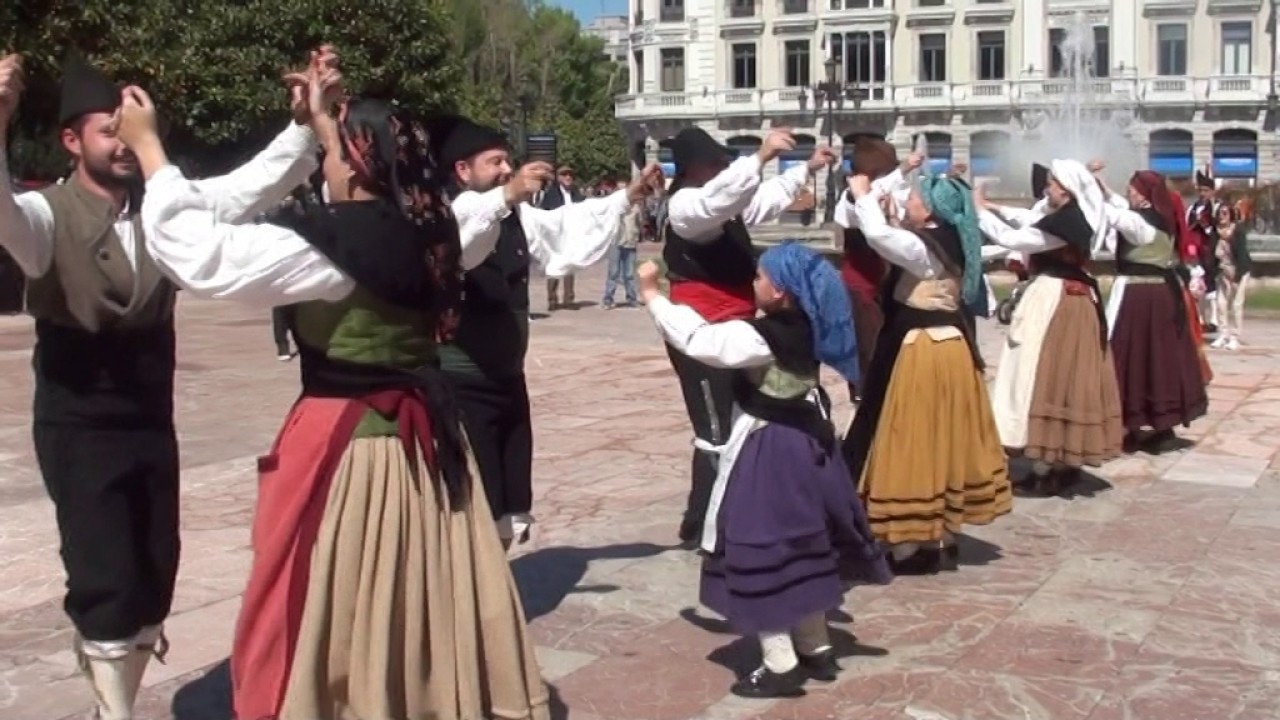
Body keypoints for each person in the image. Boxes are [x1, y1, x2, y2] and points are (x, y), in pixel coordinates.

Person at [118, 63, 550, 720]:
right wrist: (316, 119)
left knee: (337, 595)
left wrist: (151, 150)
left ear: (359, 162)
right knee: (419, 594)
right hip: (429, 445)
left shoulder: (335, 247)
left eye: (334, 152)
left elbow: (196, 255)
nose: (326, 164)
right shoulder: (435, 230)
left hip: (354, 448)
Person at [0, 49, 325, 718]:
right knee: (105, 577)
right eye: (108, 131)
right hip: (79, 423)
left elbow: (248, 187)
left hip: (151, 418)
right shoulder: (44, 216)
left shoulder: (166, 209)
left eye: (131, 129)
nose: (123, 144)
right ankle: (115, 710)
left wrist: (302, 125)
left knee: (153, 571)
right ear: (72, 141)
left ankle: (115, 687)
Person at [637, 244, 890, 699]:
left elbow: (701, 342)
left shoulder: (763, 337)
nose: (753, 282)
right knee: (801, 544)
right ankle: (815, 646)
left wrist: (654, 296)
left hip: (772, 448)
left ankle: (780, 664)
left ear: (780, 291)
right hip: (808, 443)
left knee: (761, 548)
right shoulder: (808, 324)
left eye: (759, 277)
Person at [441, 117, 660, 547]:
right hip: (462, 382)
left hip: (507, 375)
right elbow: (460, 247)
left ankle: (499, 578)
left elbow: (564, 224)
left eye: (507, 161)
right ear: (463, 170)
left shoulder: (517, 214)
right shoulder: (448, 214)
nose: (506, 169)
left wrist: (627, 196)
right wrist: (507, 194)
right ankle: (473, 582)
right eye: (495, 162)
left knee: (509, 494)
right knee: (474, 497)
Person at [660, 126, 834, 545]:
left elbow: (760, 200)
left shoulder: (723, 207)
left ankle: (734, 511)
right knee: (715, 428)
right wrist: (758, 158)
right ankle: (705, 523)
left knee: (742, 418)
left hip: (737, 326)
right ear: (692, 168)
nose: (723, 167)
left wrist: (806, 169)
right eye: (715, 162)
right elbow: (718, 200)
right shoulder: (686, 206)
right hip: (702, 330)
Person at [842, 171, 1011, 574]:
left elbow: (879, 238)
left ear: (932, 210)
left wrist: (863, 195)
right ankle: (943, 532)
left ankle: (912, 541)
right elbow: (896, 243)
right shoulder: (949, 240)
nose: (909, 202)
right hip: (949, 347)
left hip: (924, 350)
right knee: (942, 439)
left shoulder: (927, 246)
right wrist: (889, 214)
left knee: (913, 438)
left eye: (915, 199)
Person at [976, 159, 1124, 495]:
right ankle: (1060, 463)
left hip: (1056, 300)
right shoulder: (1074, 217)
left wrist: (979, 211)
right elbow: (1031, 219)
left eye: (1053, 183)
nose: (1047, 188)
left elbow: (1015, 237)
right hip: (1071, 300)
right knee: (1064, 377)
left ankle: (1047, 467)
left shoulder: (1065, 224)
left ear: (1067, 190)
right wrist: (994, 206)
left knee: (1043, 375)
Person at [1101, 170, 1209, 453]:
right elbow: (1119, 208)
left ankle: (1140, 422)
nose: (1128, 193)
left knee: (1132, 355)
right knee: (1157, 357)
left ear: (1144, 194)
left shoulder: (1142, 221)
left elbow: (1116, 215)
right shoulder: (1160, 216)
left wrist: (1083, 189)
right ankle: (1153, 424)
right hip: (1158, 295)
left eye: (1131, 189)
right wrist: (1102, 186)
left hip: (1140, 296)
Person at [831, 138, 920, 404]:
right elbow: (862, 203)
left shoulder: (888, 193)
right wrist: (901, 170)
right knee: (866, 343)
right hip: (862, 284)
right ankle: (866, 395)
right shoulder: (849, 200)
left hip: (889, 281)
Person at [538, 165, 584, 310]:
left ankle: (569, 299)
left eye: (570, 175)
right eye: (564, 175)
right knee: (554, 266)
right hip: (555, 236)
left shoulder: (576, 194)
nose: (568, 177)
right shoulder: (551, 194)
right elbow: (544, 214)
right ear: (558, 178)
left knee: (569, 267)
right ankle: (552, 299)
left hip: (571, 235)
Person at [1211, 202, 1252, 350]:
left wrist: (1237, 275)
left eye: (1225, 213)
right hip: (1223, 269)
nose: (1222, 216)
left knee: (1236, 304)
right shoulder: (1216, 231)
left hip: (1238, 270)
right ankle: (1223, 334)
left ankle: (1235, 337)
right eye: (1220, 213)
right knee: (1221, 303)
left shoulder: (1238, 230)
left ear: (1231, 215)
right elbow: (1212, 254)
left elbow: (1241, 254)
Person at [1186, 169, 1222, 332]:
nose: (1202, 193)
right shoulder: (1192, 208)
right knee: (1196, 284)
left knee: (1212, 284)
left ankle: (1214, 319)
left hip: (1212, 251)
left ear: (1212, 191)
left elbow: (1221, 229)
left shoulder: (1217, 208)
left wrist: (1207, 226)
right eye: (1200, 190)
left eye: (1206, 190)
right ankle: (1199, 319)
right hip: (1196, 252)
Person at [602, 200, 641, 308]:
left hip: (630, 243)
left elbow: (639, 223)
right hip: (616, 243)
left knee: (629, 274)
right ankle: (608, 299)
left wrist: (637, 234)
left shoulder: (635, 208)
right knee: (613, 273)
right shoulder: (615, 207)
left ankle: (632, 299)